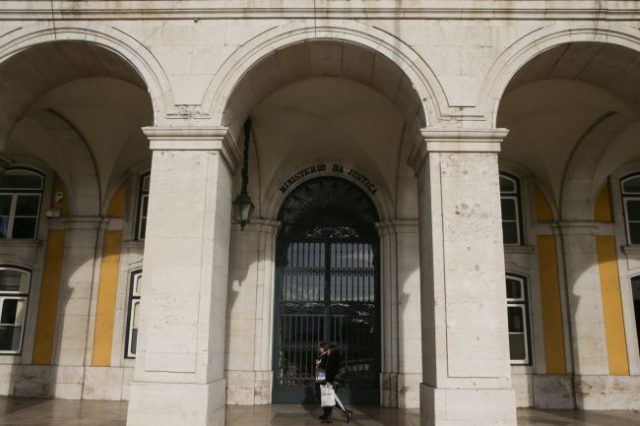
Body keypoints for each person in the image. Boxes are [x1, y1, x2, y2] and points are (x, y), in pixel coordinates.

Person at [315, 342, 352, 424]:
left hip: (333, 381)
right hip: (327, 380)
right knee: (328, 397)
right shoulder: (327, 356)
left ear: (328, 349)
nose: (320, 349)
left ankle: (346, 412)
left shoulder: (333, 357)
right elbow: (323, 369)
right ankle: (328, 416)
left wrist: (330, 381)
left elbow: (334, 370)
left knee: (332, 398)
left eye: (321, 348)